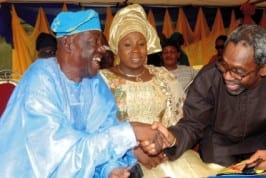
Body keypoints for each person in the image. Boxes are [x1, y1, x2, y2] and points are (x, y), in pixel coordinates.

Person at [0, 9, 165, 178]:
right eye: (94, 42)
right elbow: (61, 157)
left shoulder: (94, 82)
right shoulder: (40, 81)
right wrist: (130, 131)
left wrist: (109, 169)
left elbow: (101, 134)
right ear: (68, 43)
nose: (103, 49)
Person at [144, 24, 266, 175]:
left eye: (238, 71)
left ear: (264, 69)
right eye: (224, 65)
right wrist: (173, 138)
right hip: (218, 150)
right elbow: (192, 124)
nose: (227, 76)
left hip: (263, 149)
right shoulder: (208, 77)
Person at [100, 4, 213, 178]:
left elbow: (181, 118)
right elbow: (97, 128)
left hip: (167, 156)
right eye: (127, 45)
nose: (136, 50)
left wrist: (164, 147)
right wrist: (132, 151)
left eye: (141, 43)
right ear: (116, 47)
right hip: (123, 160)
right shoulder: (103, 80)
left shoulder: (163, 76)